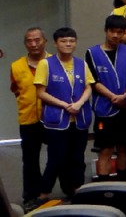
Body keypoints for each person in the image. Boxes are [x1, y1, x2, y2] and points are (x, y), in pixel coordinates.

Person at [33, 27, 92, 204]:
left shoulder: (81, 64)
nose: (68, 44)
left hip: (79, 119)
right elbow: (40, 92)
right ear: (55, 43)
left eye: (71, 41)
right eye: (64, 41)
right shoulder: (46, 64)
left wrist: (80, 103)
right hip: (57, 120)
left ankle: (75, 190)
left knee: (77, 158)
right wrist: (64, 105)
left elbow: (89, 86)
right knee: (56, 158)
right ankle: (43, 193)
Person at [86, 17, 126, 183]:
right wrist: (113, 97)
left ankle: (122, 185)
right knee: (105, 150)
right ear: (106, 31)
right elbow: (93, 81)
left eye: (119, 32)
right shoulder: (92, 53)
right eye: (112, 31)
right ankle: (104, 188)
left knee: (123, 148)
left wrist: (125, 96)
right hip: (104, 109)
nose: (115, 35)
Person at [10, 28, 47, 210]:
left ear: (45, 41)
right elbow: (16, 89)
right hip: (28, 119)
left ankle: (65, 188)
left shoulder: (55, 62)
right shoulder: (16, 66)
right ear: (25, 44)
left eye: (37, 40)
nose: (34, 44)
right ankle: (30, 196)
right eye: (29, 41)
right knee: (30, 160)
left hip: (53, 118)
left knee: (59, 155)